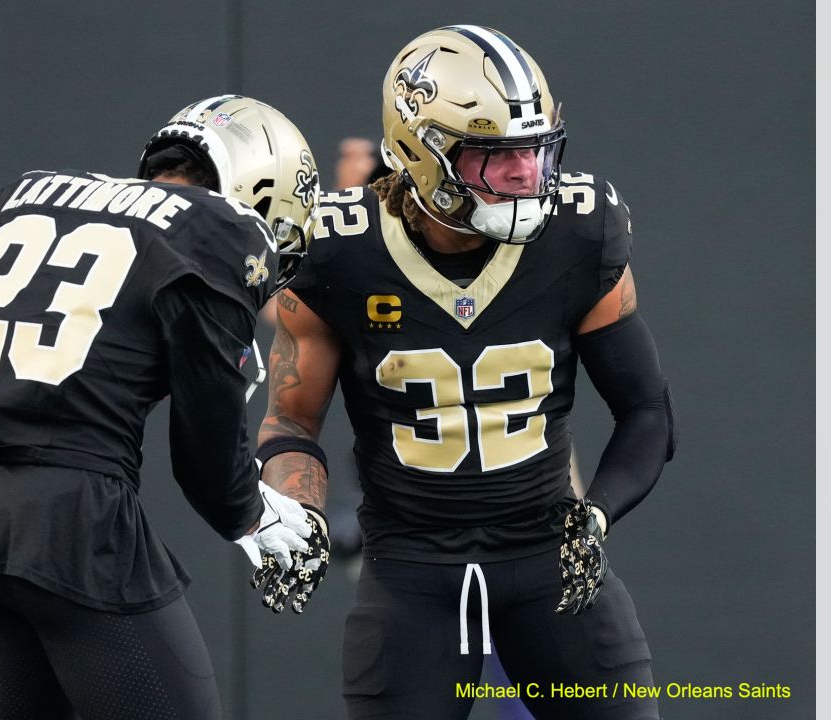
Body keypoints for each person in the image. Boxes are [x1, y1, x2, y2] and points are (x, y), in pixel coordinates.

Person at [252, 26, 677, 720]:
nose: (525, 175)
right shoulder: (336, 252)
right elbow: (292, 420)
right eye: (494, 154)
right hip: (412, 575)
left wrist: (594, 515)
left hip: (551, 566)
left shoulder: (580, 230)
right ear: (421, 154)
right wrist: (292, 515)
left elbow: (647, 411)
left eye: (535, 152)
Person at [0, 95, 322, 720]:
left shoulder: (26, 195)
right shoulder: (218, 228)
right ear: (260, 189)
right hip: (78, 527)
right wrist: (253, 516)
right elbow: (204, 457)